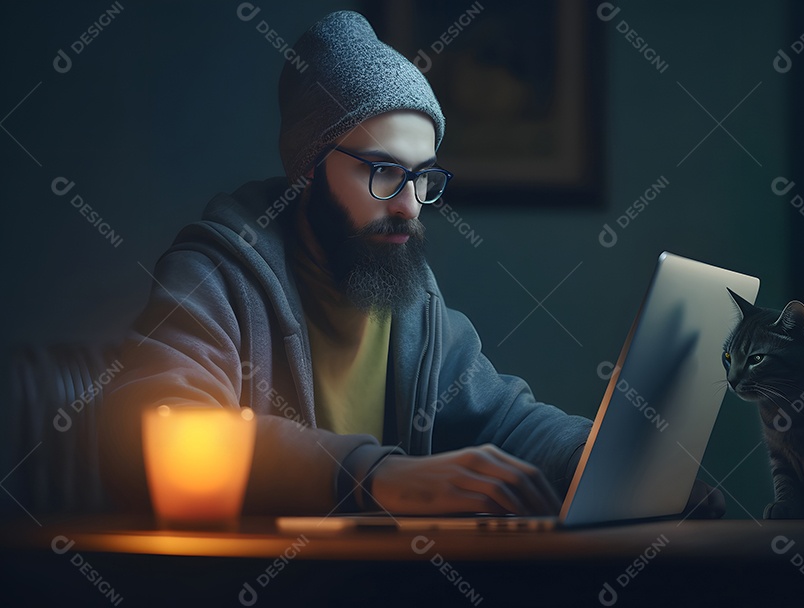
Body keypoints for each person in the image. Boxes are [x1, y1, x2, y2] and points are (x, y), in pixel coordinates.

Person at [100, 10, 723, 518]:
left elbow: (506, 420)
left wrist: (612, 463)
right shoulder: (216, 274)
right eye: (382, 172)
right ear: (307, 170)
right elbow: (157, 422)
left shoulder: (410, 302)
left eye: (424, 179)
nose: (407, 206)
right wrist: (375, 475)